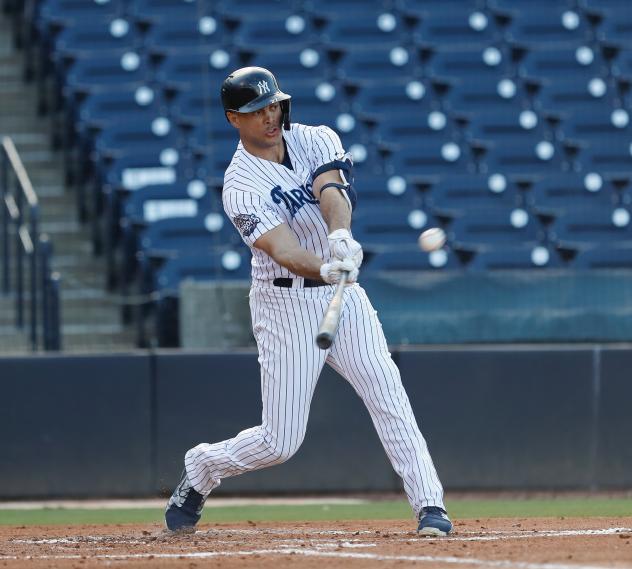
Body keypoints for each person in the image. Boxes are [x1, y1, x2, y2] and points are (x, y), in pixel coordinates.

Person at [164, 66, 452, 536]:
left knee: (388, 394)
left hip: (345, 299)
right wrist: (323, 267)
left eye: (274, 104)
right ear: (234, 118)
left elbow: (331, 189)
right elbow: (281, 248)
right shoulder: (240, 185)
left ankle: (429, 506)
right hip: (285, 305)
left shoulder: (315, 137)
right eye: (257, 110)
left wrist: (339, 236)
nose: (270, 115)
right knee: (281, 441)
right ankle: (202, 466)